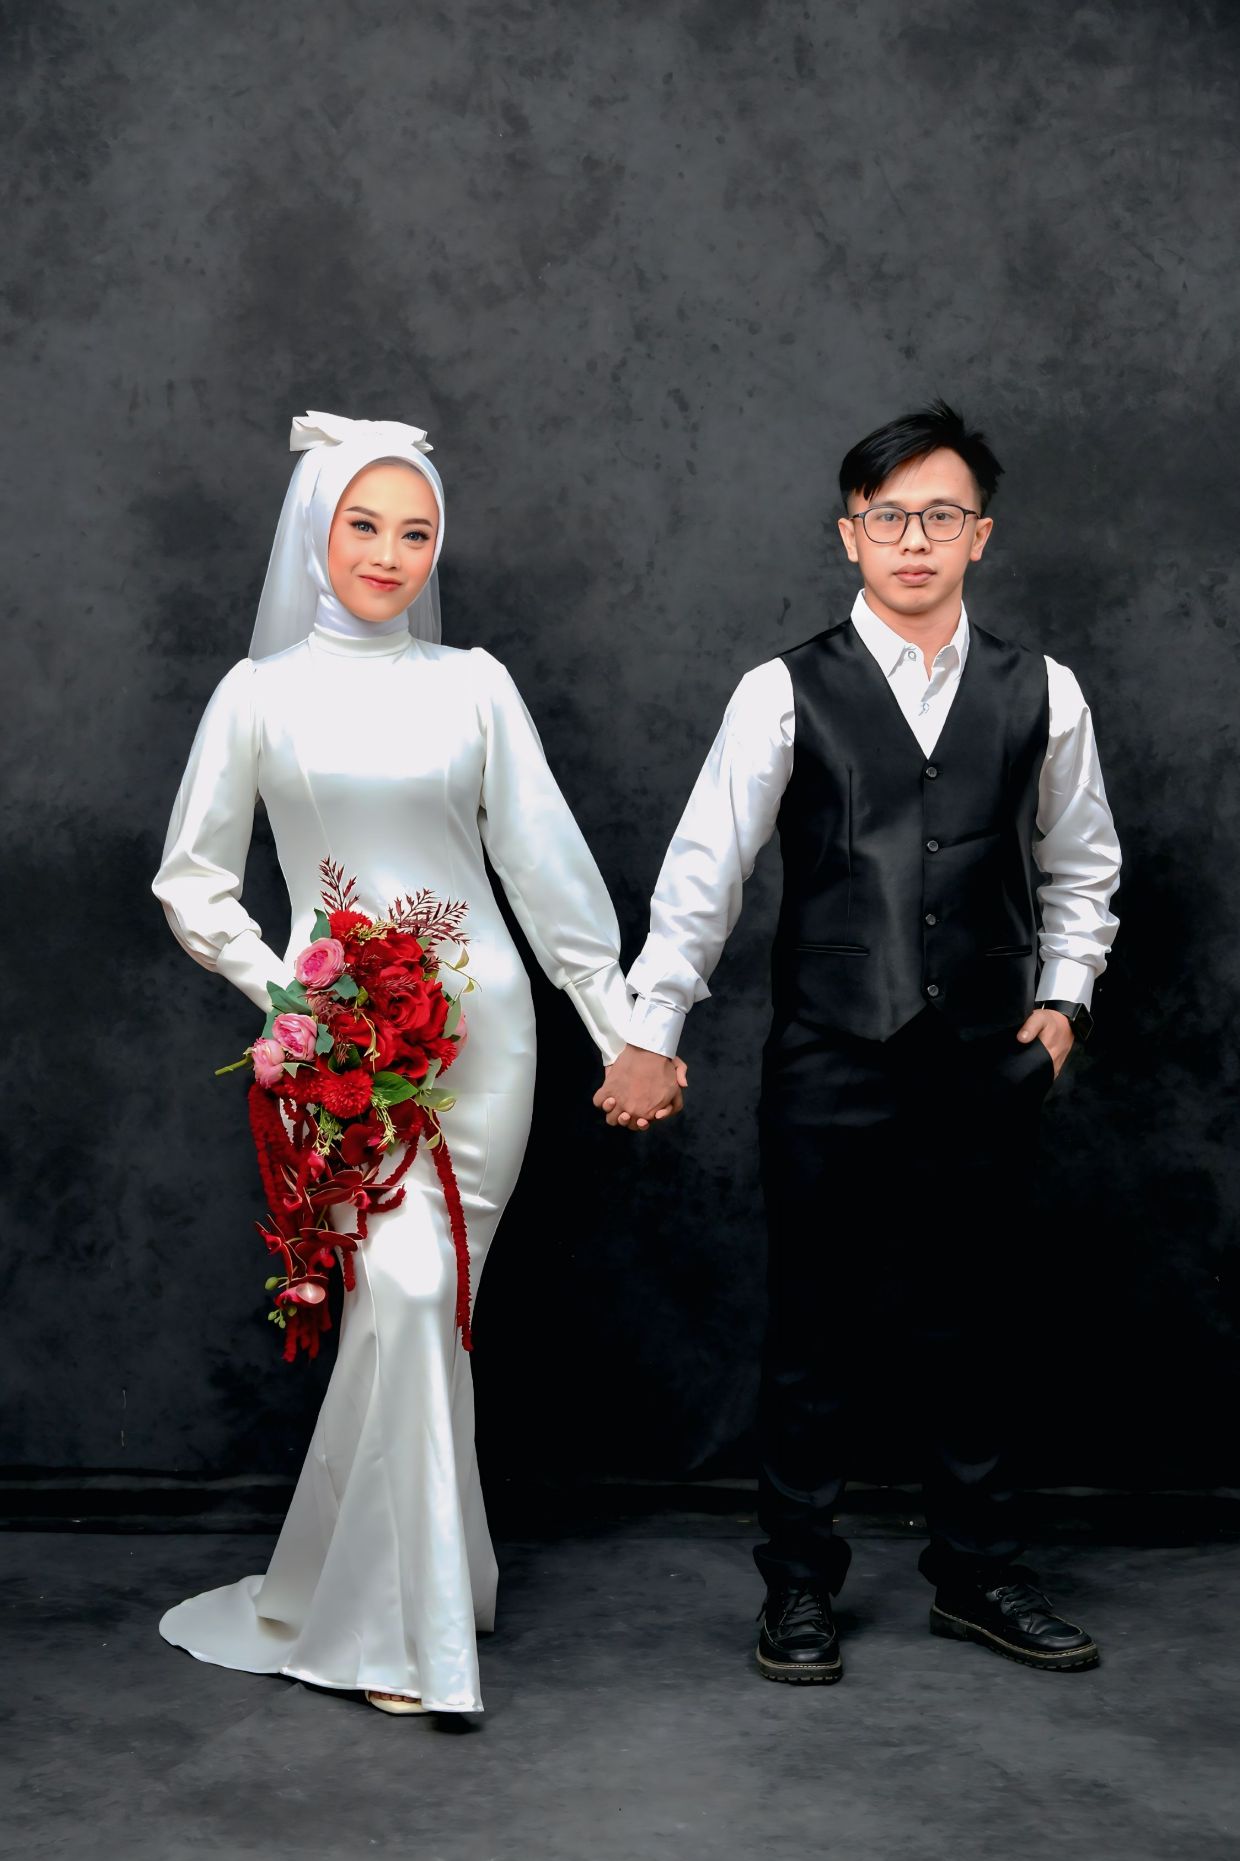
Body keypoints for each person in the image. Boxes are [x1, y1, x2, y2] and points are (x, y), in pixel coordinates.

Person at [598, 400, 1121, 1681]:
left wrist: (1062, 1009)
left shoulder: (1044, 692)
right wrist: (651, 1031)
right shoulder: (781, 692)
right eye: (889, 517)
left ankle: (978, 1573)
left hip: (985, 1059)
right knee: (814, 1331)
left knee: (973, 1324)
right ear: (849, 536)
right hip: (829, 1059)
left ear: (980, 535)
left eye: (942, 515)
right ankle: (796, 1585)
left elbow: (1082, 866)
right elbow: (704, 874)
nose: (914, 540)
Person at [154, 410, 658, 1715]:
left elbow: (545, 870)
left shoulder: (473, 685)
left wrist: (624, 1031)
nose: (388, 554)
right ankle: (405, 1635)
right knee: (410, 1297)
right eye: (363, 525)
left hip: (487, 1043)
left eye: (416, 531)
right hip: (341, 1059)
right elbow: (192, 880)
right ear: (314, 534)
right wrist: (291, 998)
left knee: (419, 1315)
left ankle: (383, 1600)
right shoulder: (257, 696)